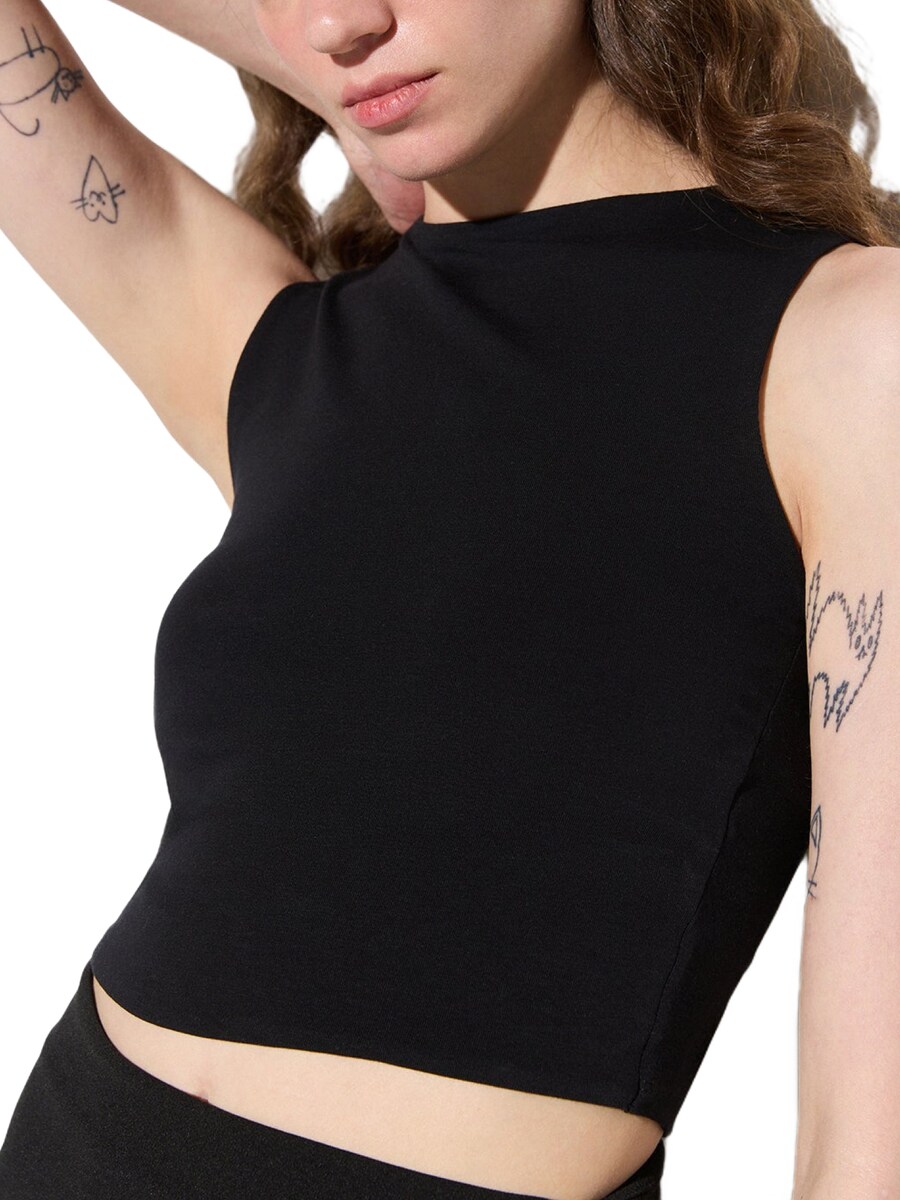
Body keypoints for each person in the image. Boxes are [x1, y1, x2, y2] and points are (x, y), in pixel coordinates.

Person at [1, 1, 898, 1198]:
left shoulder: (855, 346)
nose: (338, 17)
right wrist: (317, 75)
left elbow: (867, 1137)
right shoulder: (289, 348)